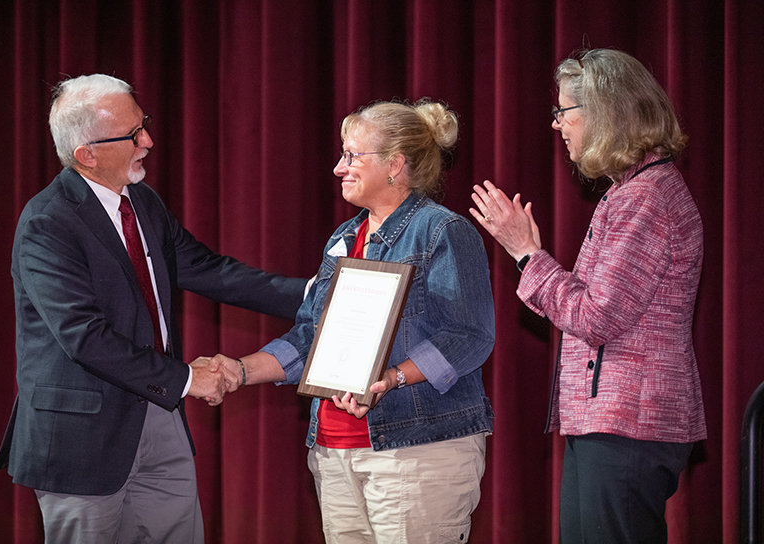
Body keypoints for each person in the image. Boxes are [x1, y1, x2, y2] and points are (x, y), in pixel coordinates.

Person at [0, 74, 306, 544]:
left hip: (158, 415)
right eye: (133, 134)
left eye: (145, 125)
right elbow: (84, 337)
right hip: (84, 437)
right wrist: (187, 379)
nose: (148, 141)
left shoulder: (142, 202)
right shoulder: (47, 223)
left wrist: (316, 293)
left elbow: (207, 269)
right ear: (87, 155)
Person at [209, 100, 495, 543]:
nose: (339, 167)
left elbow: (469, 336)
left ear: (394, 165)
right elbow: (310, 337)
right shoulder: (344, 238)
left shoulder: (441, 231)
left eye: (351, 155)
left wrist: (392, 377)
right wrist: (240, 371)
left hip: (415, 450)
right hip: (333, 449)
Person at [470, 48, 707, 544]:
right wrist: (529, 256)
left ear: (603, 113)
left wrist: (527, 254)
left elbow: (595, 316)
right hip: (611, 423)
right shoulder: (631, 191)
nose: (557, 125)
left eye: (564, 112)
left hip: (628, 425)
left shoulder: (647, 198)